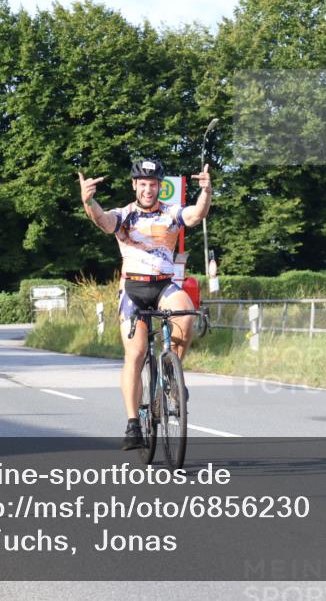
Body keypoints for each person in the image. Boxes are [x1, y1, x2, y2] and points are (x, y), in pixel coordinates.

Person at [78, 158, 211, 450]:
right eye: (143, 184)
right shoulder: (124, 215)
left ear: (160, 187)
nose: (148, 190)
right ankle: (133, 424)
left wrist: (205, 192)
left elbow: (196, 215)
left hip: (164, 284)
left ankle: (171, 378)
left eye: (153, 184)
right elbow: (103, 221)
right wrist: (89, 202)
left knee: (186, 314)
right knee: (136, 353)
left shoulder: (171, 213)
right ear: (134, 185)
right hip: (133, 289)